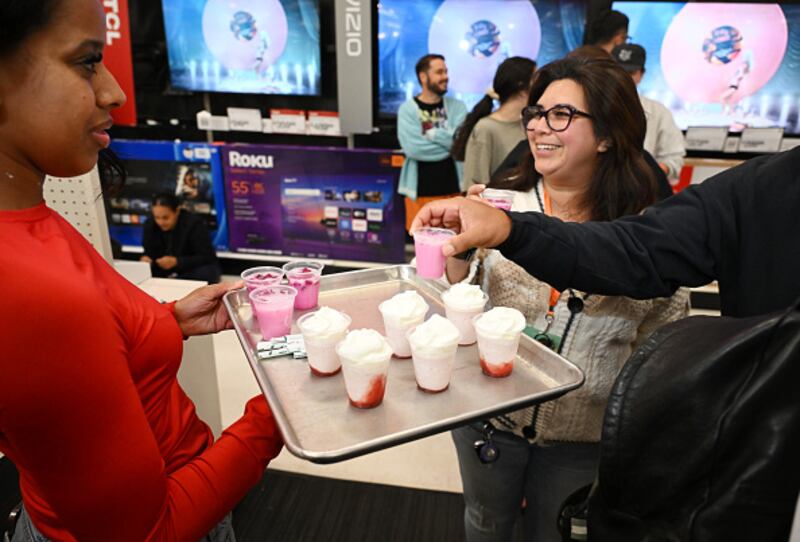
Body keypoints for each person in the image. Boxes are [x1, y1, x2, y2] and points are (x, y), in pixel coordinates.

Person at [0, 1, 282, 540]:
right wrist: (280, 410)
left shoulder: (28, 221)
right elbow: (149, 532)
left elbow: (80, 356)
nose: (114, 92)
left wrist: (165, 320)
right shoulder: (23, 288)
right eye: (87, 62)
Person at [444, 57, 689, 542]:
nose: (538, 126)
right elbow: (455, 295)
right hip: (488, 421)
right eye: (536, 112)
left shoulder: (647, 238)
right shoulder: (501, 205)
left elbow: (662, 352)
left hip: (581, 437)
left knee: (555, 533)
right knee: (485, 521)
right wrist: (458, 246)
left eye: (561, 115)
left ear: (607, 136)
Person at [397, 54, 468, 230]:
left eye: (446, 71)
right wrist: (449, 142)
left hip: (455, 192)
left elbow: (461, 143)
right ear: (423, 77)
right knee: (423, 243)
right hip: (420, 194)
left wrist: (432, 134)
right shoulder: (407, 110)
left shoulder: (458, 107)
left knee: (456, 243)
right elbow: (413, 149)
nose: (445, 76)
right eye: (439, 72)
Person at [451, 56, 536, 187]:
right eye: (535, 79)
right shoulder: (485, 128)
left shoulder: (530, 125)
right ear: (521, 87)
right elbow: (474, 183)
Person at [612, 43, 686, 179]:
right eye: (619, 71)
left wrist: (648, 174)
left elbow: (674, 158)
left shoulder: (658, 112)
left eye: (630, 73)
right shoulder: (592, 105)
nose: (624, 77)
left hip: (642, 189)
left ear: (641, 74)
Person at [141, 192, 222, 283]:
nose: (161, 222)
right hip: (162, 270)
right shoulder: (150, 224)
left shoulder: (194, 224)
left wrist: (177, 262)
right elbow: (149, 252)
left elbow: (207, 257)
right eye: (157, 217)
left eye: (165, 218)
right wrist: (147, 259)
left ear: (177, 211)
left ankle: (174, 280)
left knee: (209, 272)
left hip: (188, 269)